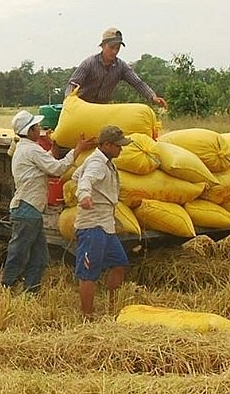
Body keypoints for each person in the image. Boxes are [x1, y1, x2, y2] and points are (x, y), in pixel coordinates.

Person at [1, 110, 96, 294]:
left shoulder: (25, 147)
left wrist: (54, 148)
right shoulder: (31, 149)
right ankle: (6, 286)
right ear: (30, 131)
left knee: (40, 256)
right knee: (19, 252)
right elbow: (57, 168)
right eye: (37, 127)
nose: (40, 130)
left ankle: (31, 292)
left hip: (30, 210)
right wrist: (78, 149)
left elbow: (45, 160)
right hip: (27, 209)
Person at [72, 125, 132, 320]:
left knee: (120, 264)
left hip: (106, 224)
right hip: (92, 225)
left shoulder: (103, 161)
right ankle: (87, 317)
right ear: (107, 144)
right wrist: (85, 196)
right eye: (118, 146)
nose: (121, 149)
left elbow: (76, 175)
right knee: (89, 273)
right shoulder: (97, 163)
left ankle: (112, 306)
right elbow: (84, 181)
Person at [65, 27, 167, 108]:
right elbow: (73, 83)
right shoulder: (89, 63)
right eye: (111, 47)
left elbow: (137, 83)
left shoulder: (121, 67)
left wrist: (153, 97)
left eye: (117, 48)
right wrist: (69, 101)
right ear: (103, 46)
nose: (114, 51)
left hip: (101, 109)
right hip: (81, 107)